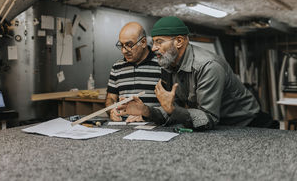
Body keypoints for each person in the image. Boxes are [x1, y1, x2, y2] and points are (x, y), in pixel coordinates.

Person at [117, 16, 278, 130]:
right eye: (154, 42)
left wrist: (172, 109)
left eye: (159, 42)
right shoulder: (168, 65)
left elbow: (208, 118)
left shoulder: (208, 66)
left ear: (179, 41)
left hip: (249, 124)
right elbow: (175, 109)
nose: (153, 49)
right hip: (221, 126)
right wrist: (145, 110)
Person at [106, 22, 161, 122]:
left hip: (153, 127)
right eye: (121, 45)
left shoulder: (162, 65)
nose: (124, 51)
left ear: (143, 42)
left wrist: (146, 115)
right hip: (123, 126)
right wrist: (112, 109)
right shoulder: (117, 67)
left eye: (129, 45)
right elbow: (110, 98)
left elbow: (172, 106)